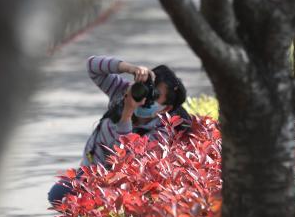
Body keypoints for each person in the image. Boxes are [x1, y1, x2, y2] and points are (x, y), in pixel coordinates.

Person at [48, 55, 190, 205]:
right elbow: (92, 66)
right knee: (58, 194)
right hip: (89, 171)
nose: (146, 98)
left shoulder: (162, 131)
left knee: (71, 199)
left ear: (165, 108)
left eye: (155, 96)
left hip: (117, 186)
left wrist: (127, 114)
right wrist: (130, 68)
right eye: (149, 89)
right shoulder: (123, 93)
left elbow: (124, 159)